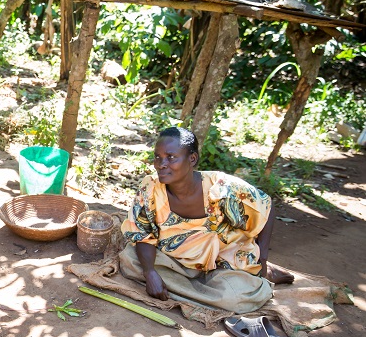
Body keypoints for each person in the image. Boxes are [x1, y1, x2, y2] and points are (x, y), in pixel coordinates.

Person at [119, 126, 293, 314]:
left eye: (171, 157)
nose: (161, 164)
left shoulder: (222, 189)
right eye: (157, 157)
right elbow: (143, 235)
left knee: (234, 299)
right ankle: (199, 288)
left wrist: (263, 258)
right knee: (130, 259)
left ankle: (261, 272)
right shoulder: (151, 188)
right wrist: (150, 272)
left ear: (192, 159)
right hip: (176, 258)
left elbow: (266, 206)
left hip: (224, 261)